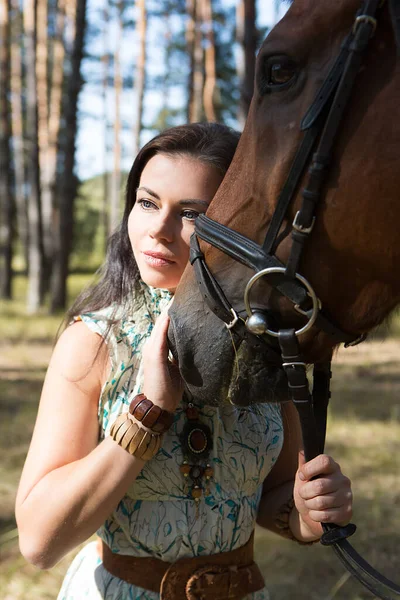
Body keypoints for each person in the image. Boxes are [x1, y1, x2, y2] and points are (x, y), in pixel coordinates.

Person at [15, 122, 353, 600]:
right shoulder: (93, 341)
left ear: (238, 223)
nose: (158, 229)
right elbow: (38, 541)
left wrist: (307, 512)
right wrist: (147, 413)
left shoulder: (268, 342)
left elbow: (273, 497)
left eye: (191, 213)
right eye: (147, 202)